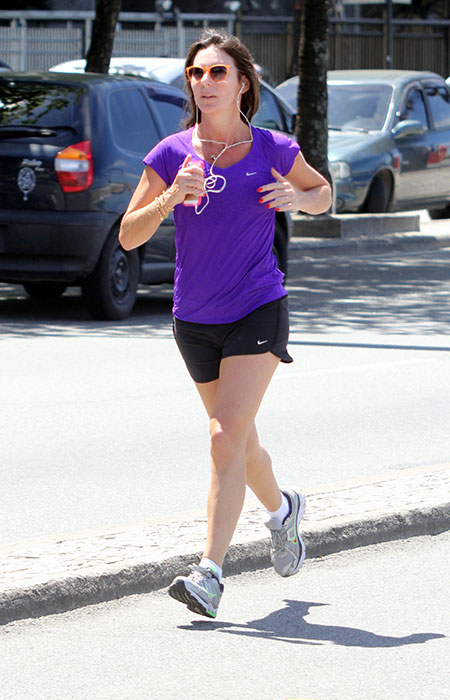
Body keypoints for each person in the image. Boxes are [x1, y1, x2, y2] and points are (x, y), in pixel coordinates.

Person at [119, 30, 331, 619]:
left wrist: (297, 195)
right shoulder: (170, 154)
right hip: (194, 318)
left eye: (217, 73)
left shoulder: (273, 147)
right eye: (196, 73)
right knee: (238, 439)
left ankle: (210, 572)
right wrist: (168, 201)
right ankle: (283, 511)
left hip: (258, 306)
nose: (204, 82)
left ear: (243, 83)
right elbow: (127, 235)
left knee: (221, 436)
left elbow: (323, 194)